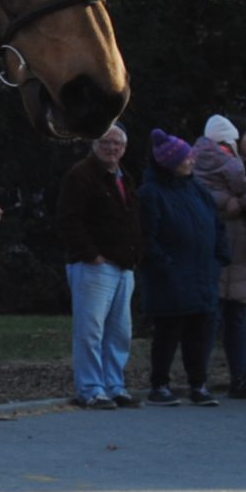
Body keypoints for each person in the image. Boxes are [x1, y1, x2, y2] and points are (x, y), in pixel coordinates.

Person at [136, 131, 227, 405]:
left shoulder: (196, 188)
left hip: (202, 273)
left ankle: (198, 384)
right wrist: (166, 266)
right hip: (170, 277)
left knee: (199, 334)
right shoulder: (151, 194)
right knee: (168, 332)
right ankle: (160, 383)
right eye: (186, 157)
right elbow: (147, 238)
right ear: (170, 162)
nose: (191, 161)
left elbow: (216, 224)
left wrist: (219, 257)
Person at [58, 125, 143, 409]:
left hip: (122, 265)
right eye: (106, 142)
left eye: (117, 144)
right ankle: (91, 388)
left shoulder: (124, 178)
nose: (112, 148)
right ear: (94, 146)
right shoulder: (81, 176)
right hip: (95, 265)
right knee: (90, 330)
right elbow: (70, 219)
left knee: (119, 331)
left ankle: (114, 385)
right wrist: (90, 254)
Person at [194, 114, 246, 398]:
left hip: (237, 254)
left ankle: (233, 377)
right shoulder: (236, 167)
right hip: (230, 251)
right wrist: (232, 202)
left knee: (235, 318)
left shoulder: (203, 162)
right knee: (219, 319)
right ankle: (209, 378)